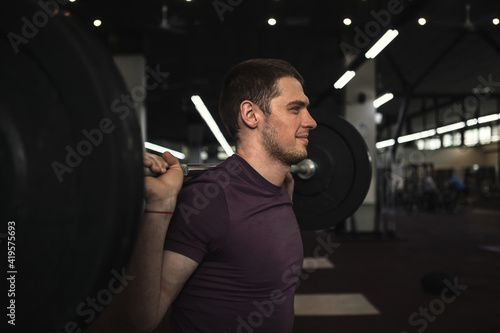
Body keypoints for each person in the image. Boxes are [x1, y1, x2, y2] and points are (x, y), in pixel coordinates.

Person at [88, 58, 317, 333]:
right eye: (295, 109)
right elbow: (138, 321)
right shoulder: (209, 200)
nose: (311, 121)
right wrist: (159, 207)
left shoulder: (283, 186)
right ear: (251, 114)